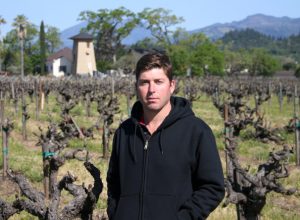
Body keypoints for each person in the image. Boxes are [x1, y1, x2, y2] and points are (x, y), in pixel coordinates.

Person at [107, 52, 225, 220]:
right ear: (136, 87)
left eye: (158, 82)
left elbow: (213, 187)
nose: (151, 90)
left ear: (171, 85)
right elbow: (114, 183)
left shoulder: (196, 131)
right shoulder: (124, 132)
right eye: (144, 82)